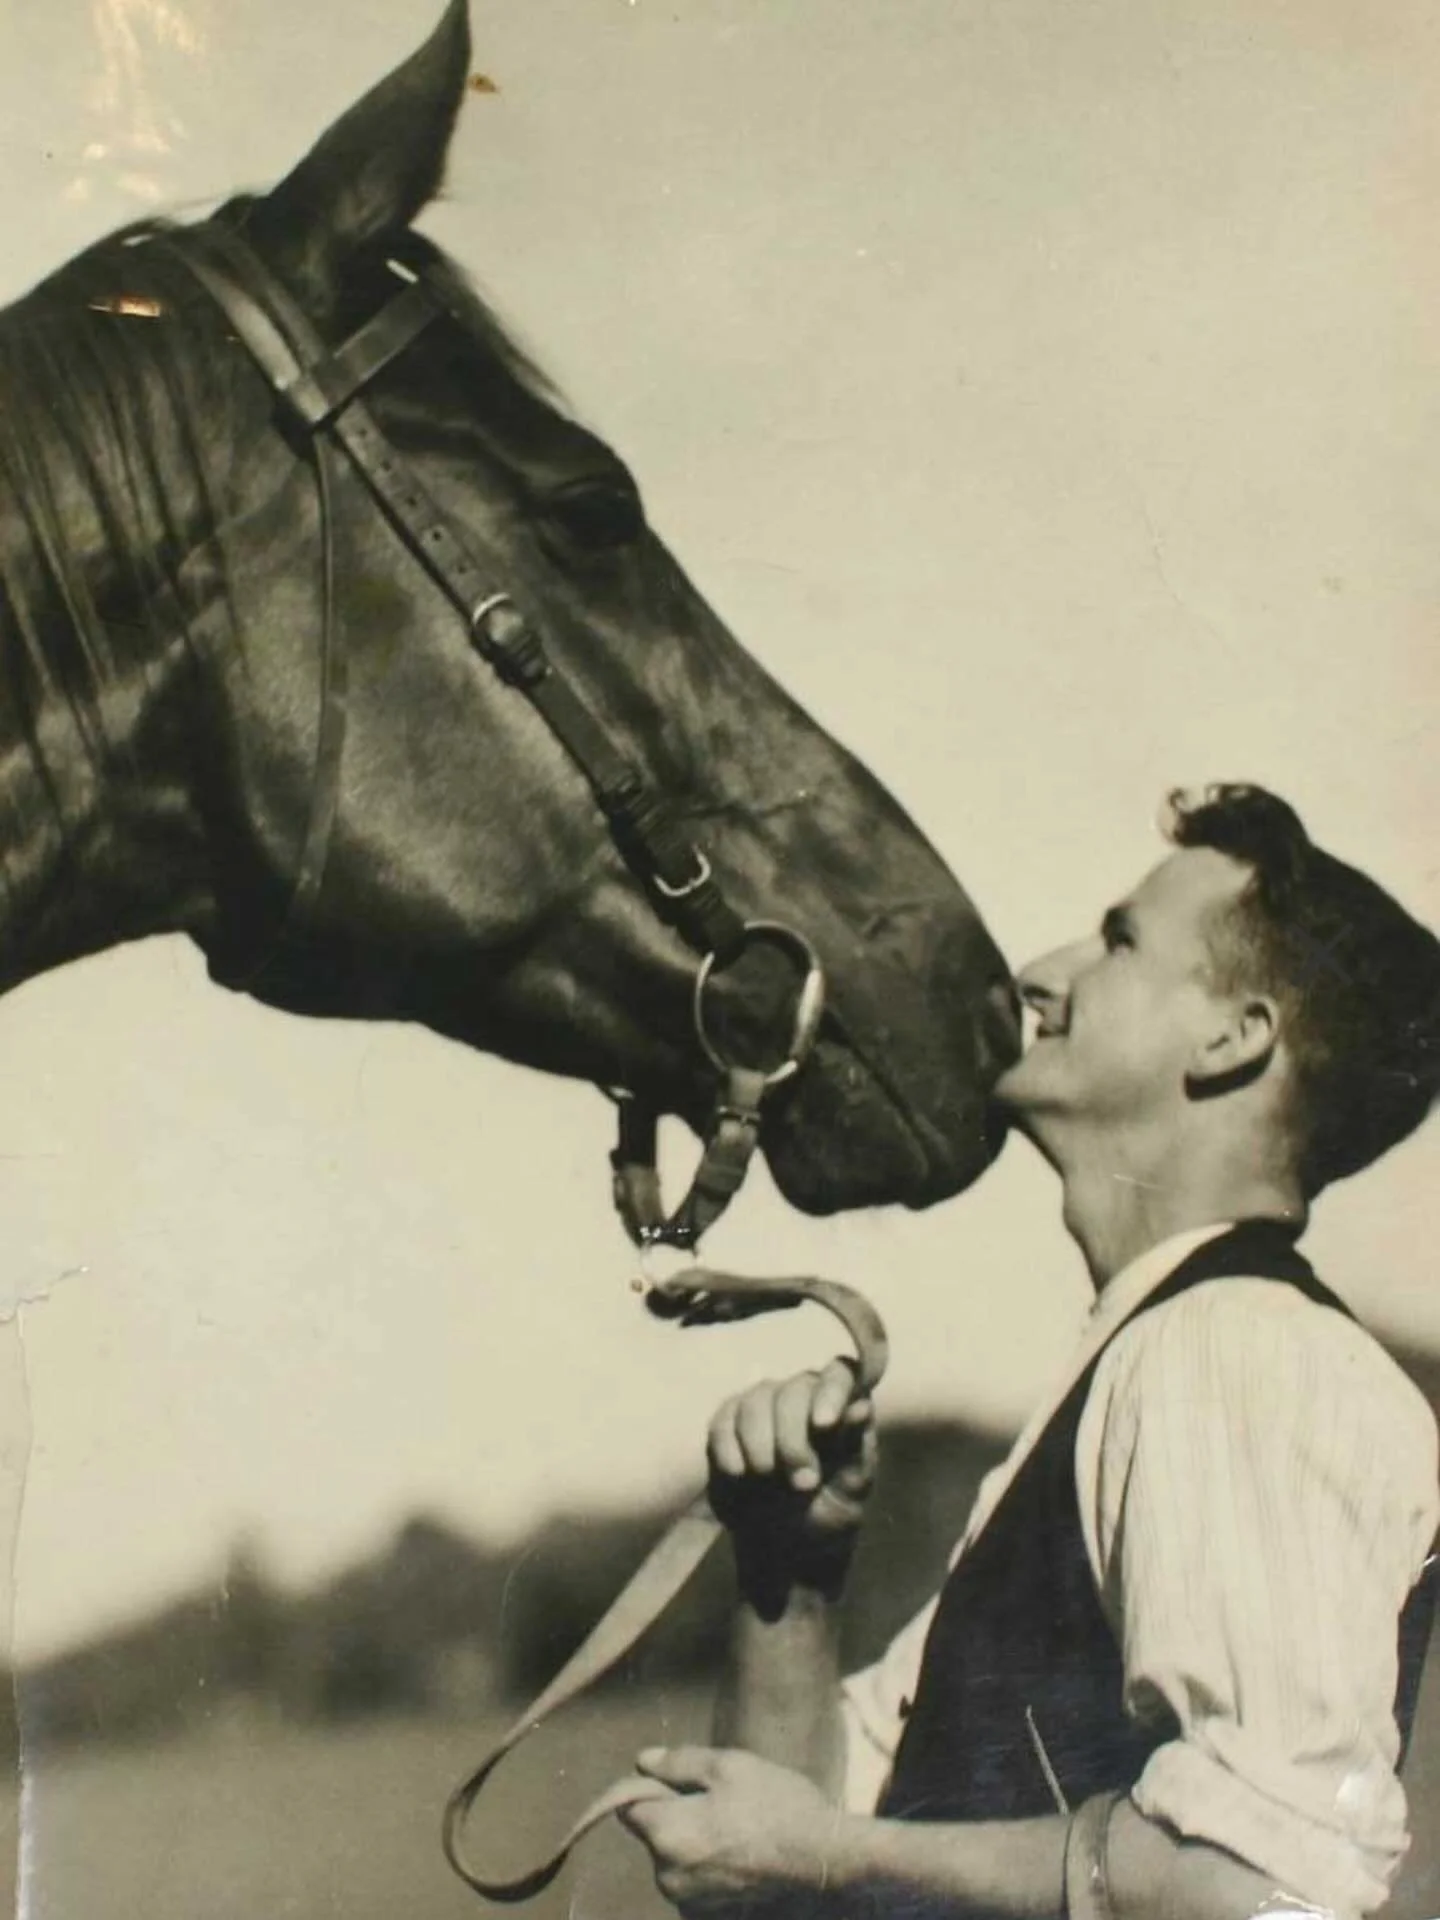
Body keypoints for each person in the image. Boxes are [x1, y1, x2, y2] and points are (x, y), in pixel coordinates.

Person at [621, 784, 1440, 1920]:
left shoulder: (1238, 1355)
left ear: (1233, 1038)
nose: (1041, 972)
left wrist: (820, 1855)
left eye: (1117, 941)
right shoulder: (1143, 1362)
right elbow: (778, 1874)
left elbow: (1263, 1887)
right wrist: (792, 1583)